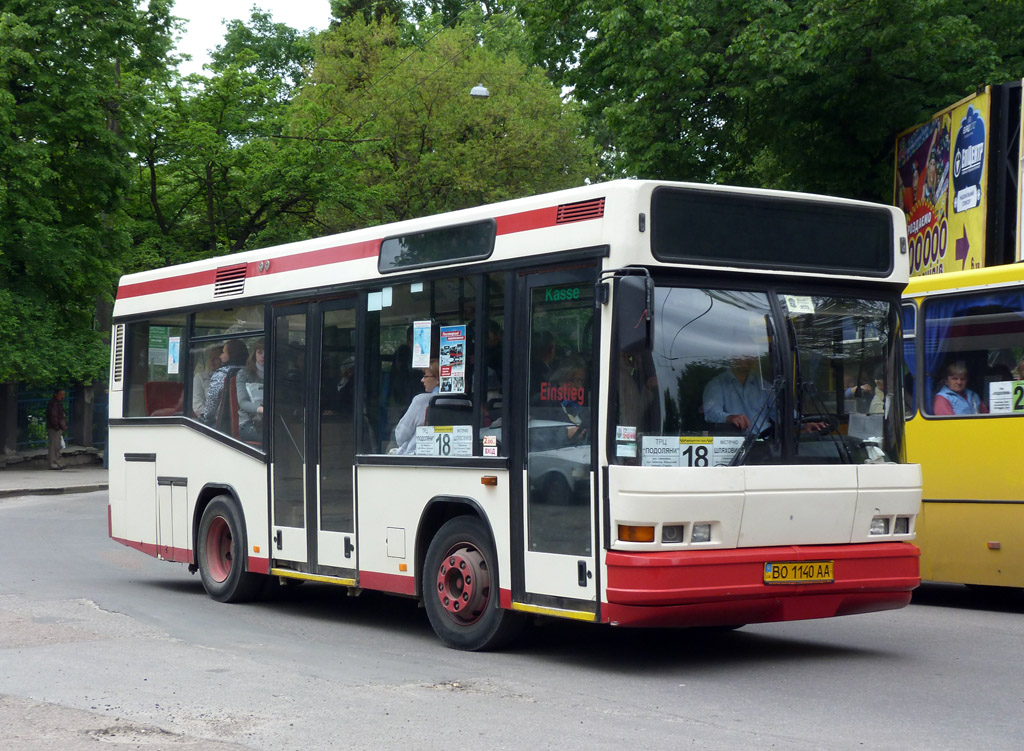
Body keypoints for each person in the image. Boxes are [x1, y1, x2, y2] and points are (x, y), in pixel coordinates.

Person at [702, 353, 771, 434]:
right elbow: (711, 413)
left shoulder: (762, 384)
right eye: (745, 354)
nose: (750, 358)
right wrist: (730, 418)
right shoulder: (717, 384)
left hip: (767, 440)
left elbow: (778, 411)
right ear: (732, 357)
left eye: (753, 355)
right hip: (735, 442)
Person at [393, 360, 440, 454]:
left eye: (425, 376)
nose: (422, 380)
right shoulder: (464, 402)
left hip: (417, 457)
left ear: (438, 379)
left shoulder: (421, 401)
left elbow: (401, 436)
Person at [203, 339, 248, 427]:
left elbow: (211, 405)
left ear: (231, 355)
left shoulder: (221, 374)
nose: (220, 356)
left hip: (225, 424)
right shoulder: (250, 371)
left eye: (223, 352)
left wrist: (205, 416)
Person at [236, 340, 265, 442]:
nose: (263, 356)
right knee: (271, 438)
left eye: (266, 352)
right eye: (260, 352)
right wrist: (262, 409)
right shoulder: (244, 374)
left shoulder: (276, 374)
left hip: (272, 421)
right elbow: (243, 402)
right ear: (254, 354)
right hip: (248, 423)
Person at [192, 344, 221, 418]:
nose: (211, 361)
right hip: (208, 422)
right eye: (210, 358)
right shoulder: (200, 377)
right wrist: (209, 418)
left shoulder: (227, 376)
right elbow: (197, 404)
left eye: (215, 358)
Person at [46, 388, 67, 470]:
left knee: (57, 446)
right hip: (54, 428)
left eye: (64, 394)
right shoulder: (54, 404)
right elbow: (53, 417)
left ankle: (57, 463)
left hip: (57, 428)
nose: (63, 396)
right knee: (54, 447)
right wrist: (57, 427)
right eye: (61, 394)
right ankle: (53, 464)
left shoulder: (57, 403)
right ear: (56, 394)